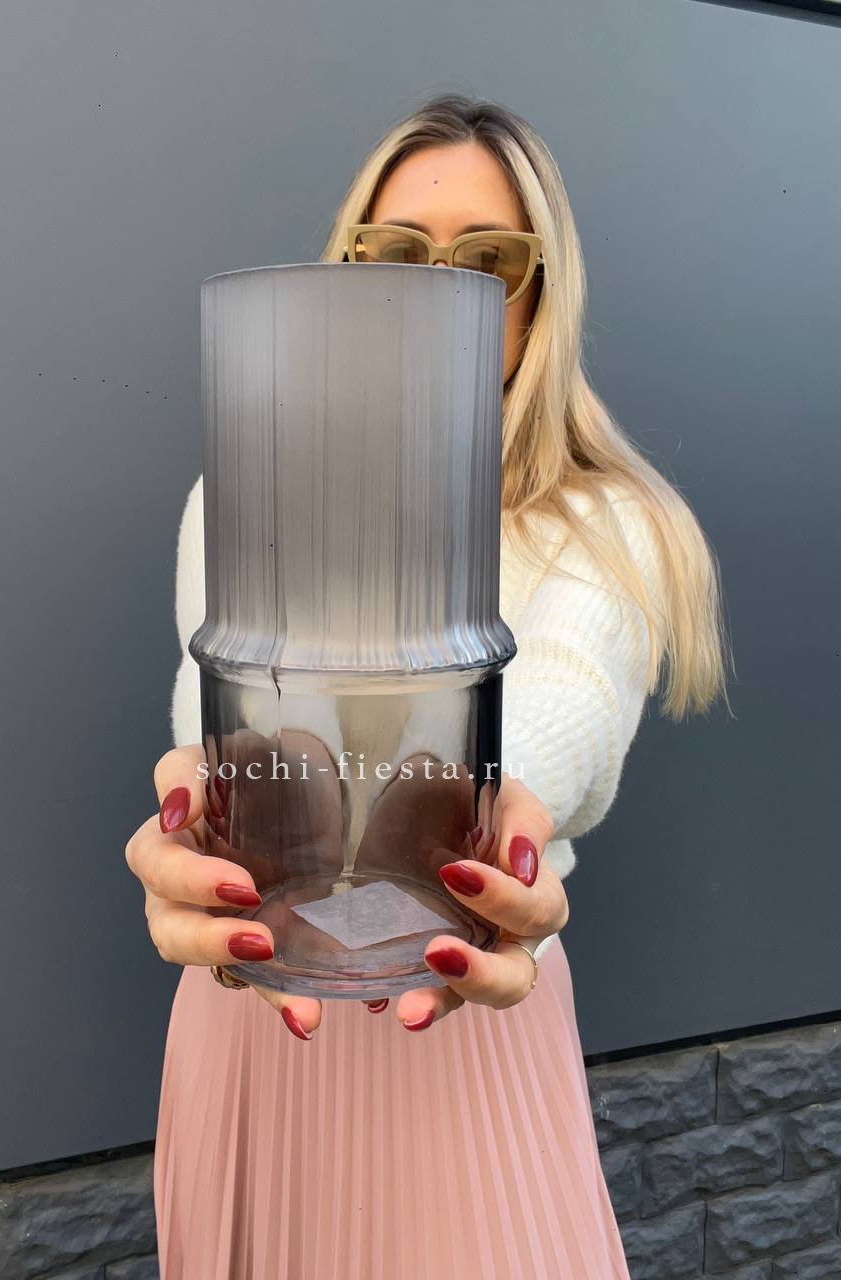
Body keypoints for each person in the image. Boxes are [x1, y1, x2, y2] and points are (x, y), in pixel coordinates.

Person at [125, 92, 727, 1280]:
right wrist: (189, 813)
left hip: (466, 1013)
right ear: (346, 267)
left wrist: (480, 817)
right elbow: (219, 746)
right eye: (394, 251)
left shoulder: (605, 525)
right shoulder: (237, 499)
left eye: (486, 260)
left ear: (540, 294)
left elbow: (551, 722)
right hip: (250, 1009)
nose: (433, 289)